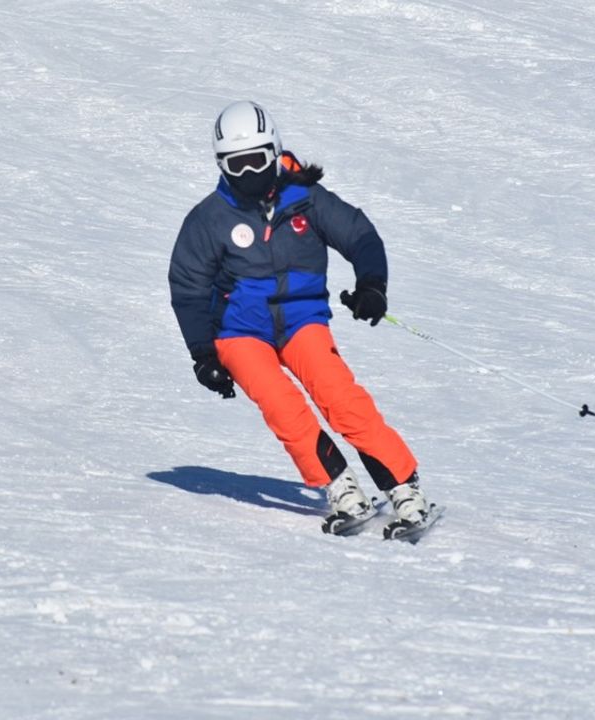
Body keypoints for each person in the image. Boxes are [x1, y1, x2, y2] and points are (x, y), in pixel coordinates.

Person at [168, 101, 437, 535]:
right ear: (222, 165)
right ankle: (342, 490)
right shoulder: (210, 219)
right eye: (237, 165)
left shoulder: (306, 200)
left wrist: (372, 285)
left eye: (257, 160)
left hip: (301, 319)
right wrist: (203, 352)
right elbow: (188, 286)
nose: (249, 173)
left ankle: (405, 489)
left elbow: (360, 235)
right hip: (238, 330)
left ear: (274, 151)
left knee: (339, 397)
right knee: (282, 406)